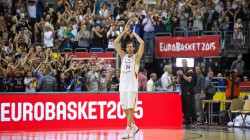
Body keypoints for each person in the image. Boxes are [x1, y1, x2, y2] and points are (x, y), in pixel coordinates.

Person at [114, 18, 144, 139]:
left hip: (132, 87)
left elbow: (142, 43)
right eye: (129, 47)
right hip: (123, 87)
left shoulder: (136, 57)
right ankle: (134, 127)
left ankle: (128, 129)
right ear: (126, 48)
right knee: (124, 108)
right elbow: (115, 43)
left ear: (133, 48)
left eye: (132, 46)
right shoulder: (123, 56)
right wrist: (124, 31)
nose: (130, 48)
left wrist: (133, 34)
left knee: (131, 108)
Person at [177, 59, 197, 126]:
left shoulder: (190, 70)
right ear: (181, 63)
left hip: (189, 89)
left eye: (185, 62)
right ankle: (188, 121)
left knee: (190, 104)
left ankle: (194, 120)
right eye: (183, 62)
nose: (184, 63)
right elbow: (178, 81)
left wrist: (182, 74)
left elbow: (189, 80)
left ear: (187, 63)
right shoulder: (181, 70)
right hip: (182, 90)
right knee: (184, 105)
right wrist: (178, 75)